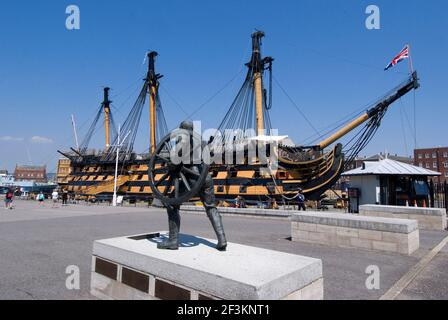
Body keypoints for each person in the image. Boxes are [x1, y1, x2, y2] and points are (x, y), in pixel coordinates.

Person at [157, 121, 227, 251]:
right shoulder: (201, 141)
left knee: (172, 204)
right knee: (211, 207)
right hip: (206, 177)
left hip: (192, 178)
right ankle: (222, 239)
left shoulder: (182, 141)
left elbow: (174, 162)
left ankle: (173, 240)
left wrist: (170, 163)